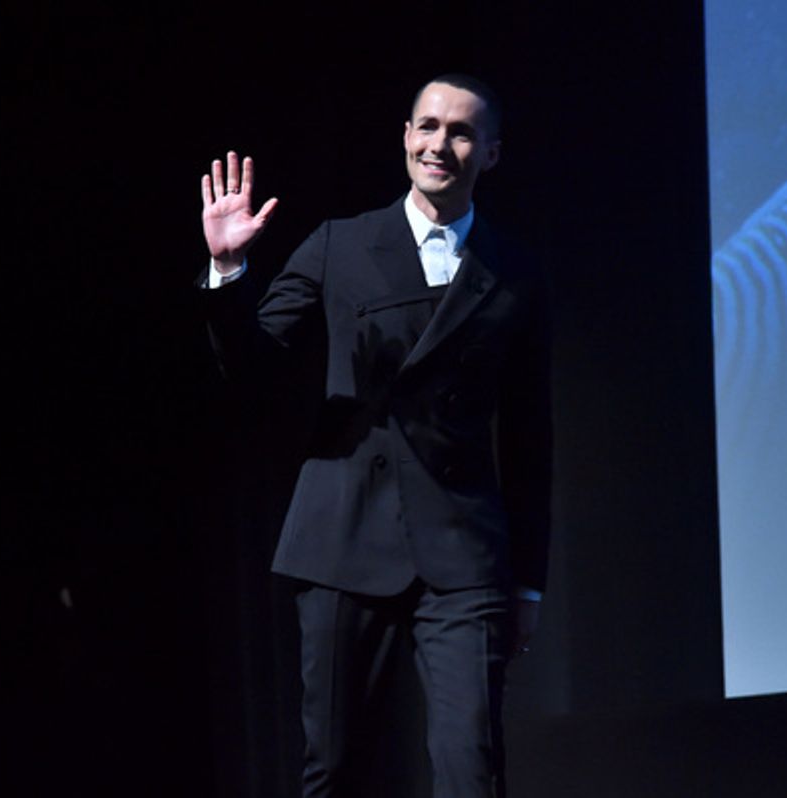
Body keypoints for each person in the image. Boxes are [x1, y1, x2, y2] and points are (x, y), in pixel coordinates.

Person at [198, 74, 552, 798]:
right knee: (333, 767)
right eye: (426, 126)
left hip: (462, 552)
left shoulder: (515, 271)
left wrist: (529, 582)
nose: (438, 145)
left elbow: (528, 435)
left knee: (471, 768)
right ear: (404, 136)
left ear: (491, 153)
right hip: (346, 535)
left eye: (460, 132)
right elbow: (252, 366)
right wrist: (229, 270)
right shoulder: (342, 245)